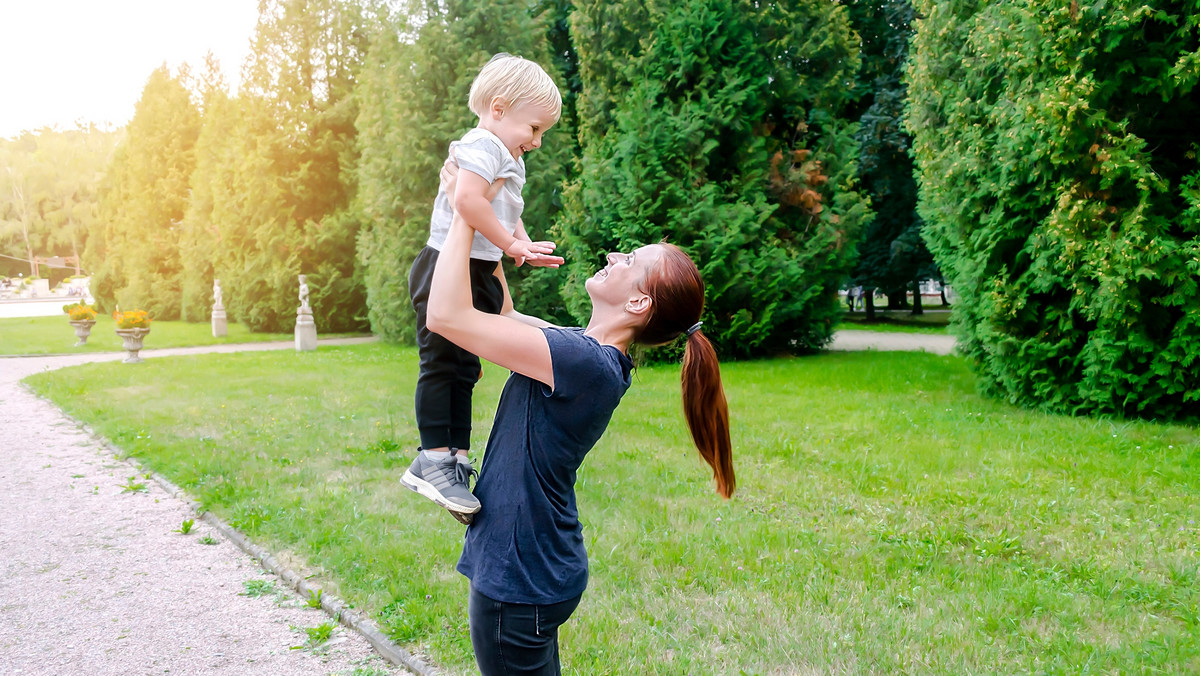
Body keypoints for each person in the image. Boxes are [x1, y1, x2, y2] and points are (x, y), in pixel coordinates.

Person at [426, 161, 735, 675]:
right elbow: (501, 315)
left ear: (638, 301)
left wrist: (465, 210)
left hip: (520, 576)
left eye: (630, 259)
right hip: (534, 564)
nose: (614, 254)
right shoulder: (585, 354)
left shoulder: (582, 362)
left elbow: (445, 317)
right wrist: (489, 214)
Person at [401, 53, 565, 524]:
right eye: (533, 129)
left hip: (478, 269)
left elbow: (505, 210)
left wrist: (521, 243)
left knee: (465, 367)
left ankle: (455, 456)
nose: (535, 142)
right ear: (498, 108)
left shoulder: (506, 153)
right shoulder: (482, 144)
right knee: (441, 363)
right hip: (446, 268)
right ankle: (432, 457)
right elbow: (469, 201)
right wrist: (511, 242)